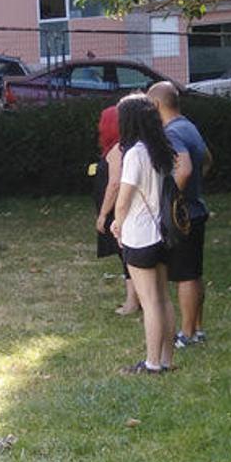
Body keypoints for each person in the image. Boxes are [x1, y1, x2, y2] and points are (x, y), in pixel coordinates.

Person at [110, 95, 178, 375]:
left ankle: (151, 364)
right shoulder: (160, 149)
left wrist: (116, 222)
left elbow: (124, 199)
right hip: (162, 232)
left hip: (139, 235)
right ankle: (167, 360)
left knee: (149, 302)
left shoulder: (135, 153)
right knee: (163, 298)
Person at [149, 81, 212, 348]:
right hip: (197, 209)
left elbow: (183, 169)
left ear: (155, 105)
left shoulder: (171, 132)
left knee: (185, 275)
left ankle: (185, 335)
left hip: (183, 215)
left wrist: (171, 198)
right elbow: (207, 159)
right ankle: (197, 328)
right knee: (194, 272)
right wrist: (195, 187)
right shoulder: (189, 126)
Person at [94, 104, 137, 316]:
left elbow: (115, 183)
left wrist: (103, 214)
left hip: (118, 210)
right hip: (119, 209)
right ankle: (134, 299)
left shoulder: (118, 149)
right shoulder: (119, 147)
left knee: (126, 253)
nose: (98, 126)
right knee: (125, 254)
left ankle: (132, 302)